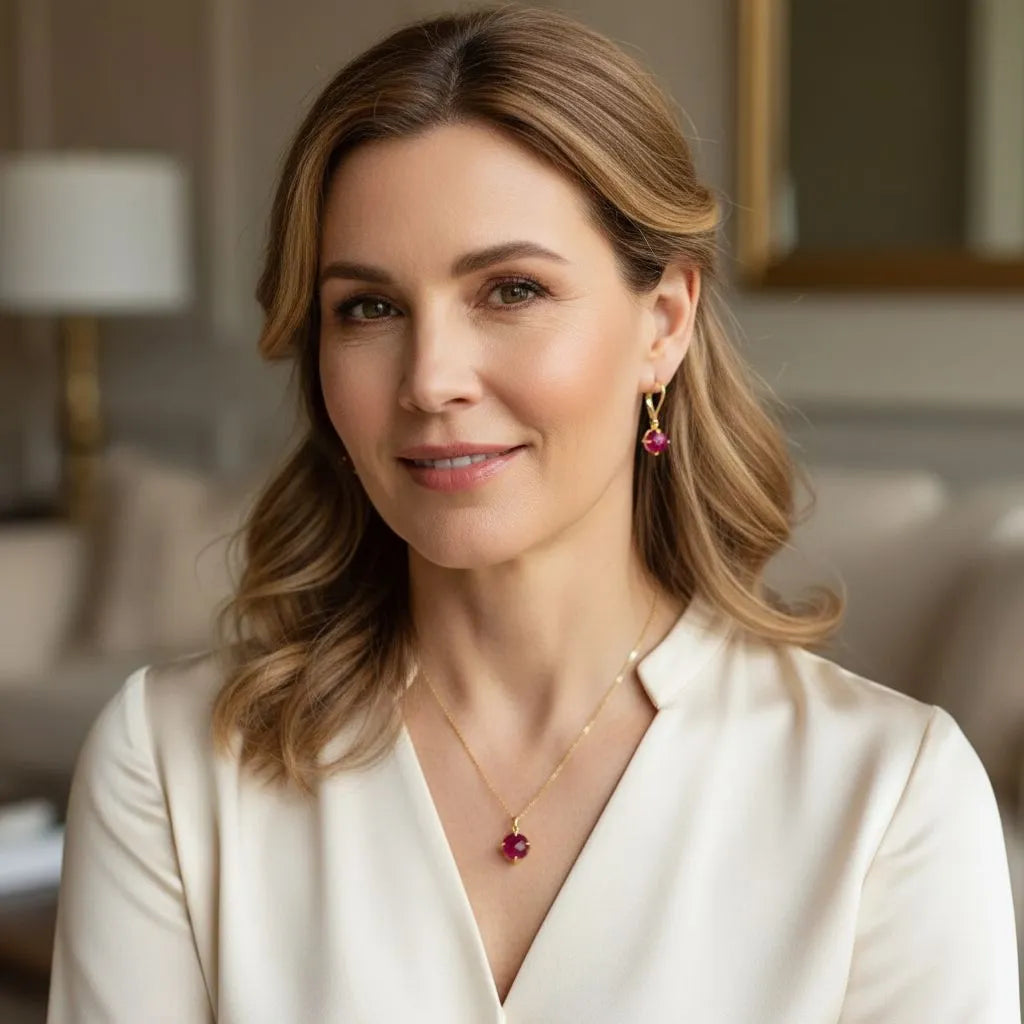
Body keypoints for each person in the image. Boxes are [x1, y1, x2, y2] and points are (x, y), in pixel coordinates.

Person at [47, 5, 1020, 1022]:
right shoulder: (170, 764)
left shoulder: (885, 795)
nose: (430, 379)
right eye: (369, 308)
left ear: (663, 321)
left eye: (509, 290)